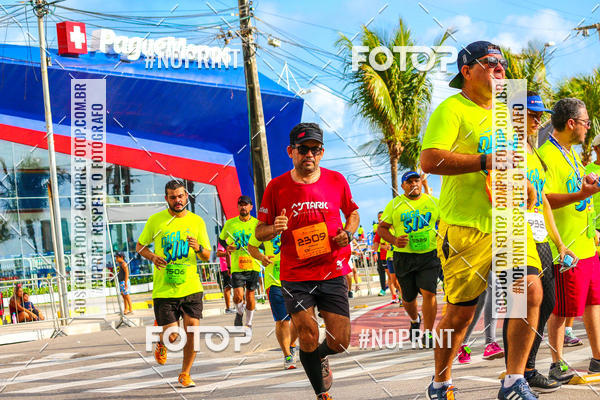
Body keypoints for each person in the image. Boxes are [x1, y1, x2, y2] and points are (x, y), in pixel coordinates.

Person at [420, 40, 543, 399]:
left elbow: (516, 159)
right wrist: (483, 161)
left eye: (503, 63)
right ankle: (440, 382)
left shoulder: (510, 110)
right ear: (467, 70)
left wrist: (527, 188)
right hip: (465, 227)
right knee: (461, 315)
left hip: (508, 222)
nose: (500, 68)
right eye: (491, 63)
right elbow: (429, 161)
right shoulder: (451, 109)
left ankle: (514, 380)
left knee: (528, 291)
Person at [255, 122, 359, 400]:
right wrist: (274, 228)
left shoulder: (336, 180)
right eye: (303, 149)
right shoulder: (276, 187)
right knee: (307, 332)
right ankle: (321, 393)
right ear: (291, 151)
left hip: (332, 270)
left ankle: (319, 356)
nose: (309, 154)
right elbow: (259, 231)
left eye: (315, 149)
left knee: (340, 341)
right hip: (296, 275)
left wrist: (348, 234)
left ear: (322, 152)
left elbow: (353, 213)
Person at [538, 97, 600, 381]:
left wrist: (587, 188)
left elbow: (579, 191)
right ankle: (556, 363)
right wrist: (580, 194)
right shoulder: (546, 155)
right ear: (571, 123)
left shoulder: (572, 154)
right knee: (562, 310)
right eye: (586, 122)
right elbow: (545, 199)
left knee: (593, 302)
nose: (588, 127)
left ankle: (597, 357)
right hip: (565, 248)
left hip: (587, 244)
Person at [523, 92, 578, 392]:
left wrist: (559, 243)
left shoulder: (534, 152)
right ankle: (518, 372)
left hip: (540, 234)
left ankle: (528, 368)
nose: (537, 120)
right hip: (515, 235)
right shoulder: (505, 149)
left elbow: (542, 200)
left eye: (539, 115)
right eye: (530, 114)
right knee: (522, 304)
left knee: (547, 302)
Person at [136, 179, 211, 388]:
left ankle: (185, 373)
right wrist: (152, 257)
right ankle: (162, 341)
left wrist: (198, 248)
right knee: (172, 336)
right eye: (173, 197)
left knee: (193, 331)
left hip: (191, 287)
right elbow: (140, 246)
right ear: (166, 198)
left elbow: (207, 255)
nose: (177, 200)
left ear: (186, 196)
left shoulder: (197, 221)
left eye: (180, 196)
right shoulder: (156, 221)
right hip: (165, 289)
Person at [377, 171, 441, 347]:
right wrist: (394, 240)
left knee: (429, 292)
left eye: (416, 181)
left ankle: (428, 333)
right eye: (409, 182)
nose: (414, 184)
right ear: (403, 186)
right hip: (404, 257)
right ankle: (414, 319)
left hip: (429, 255)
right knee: (408, 297)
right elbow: (382, 229)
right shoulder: (395, 204)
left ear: (421, 183)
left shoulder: (432, 202)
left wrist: (442, 238)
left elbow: (444, 222)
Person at [247, 232, 299, 369]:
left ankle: (291, 343)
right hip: (274, 280)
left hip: (297, 278)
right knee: (282, 320)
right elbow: (251, 246)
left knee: (300, 319)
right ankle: (287, 355)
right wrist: (261, 257)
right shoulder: (263, 226)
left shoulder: (296, 221)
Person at [219, 195, 260, 328]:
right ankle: (239, 312)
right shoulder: (230, 223)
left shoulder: (257, 224)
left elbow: (264, 241)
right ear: (238, 207)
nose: (243, 207)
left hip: (253, 265)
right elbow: (221, 239)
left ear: (251, 207)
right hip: (237, 265)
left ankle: (248, 323)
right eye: (241, 204)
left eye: (245, 204)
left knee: (250, 296)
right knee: (238, 296)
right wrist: (227, 247)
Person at [457, 271, 503, 363]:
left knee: (481, 299)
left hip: (485, 262)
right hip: (470, 263)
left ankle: (461, 345)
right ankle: (490, 343)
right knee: (495, 289)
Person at [372, 212, 388, 296]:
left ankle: (395, 287)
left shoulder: (390, 226)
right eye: (378, 217)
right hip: (380, 252)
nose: (379, 219)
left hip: (389, 252)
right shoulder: (377, 228)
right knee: (381, 271)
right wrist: (374, 253)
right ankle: (383, 289)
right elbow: (375, 241)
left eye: (381, 217)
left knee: (392, 272)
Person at [216, 242, 234, 313]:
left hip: (235, 266)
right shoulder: (223, 241)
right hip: (226, 267)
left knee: (239, 286)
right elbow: (218, 254)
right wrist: (227, 252)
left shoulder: (234, 239)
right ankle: (228, 308)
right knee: (228, 287)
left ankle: (240, 305)